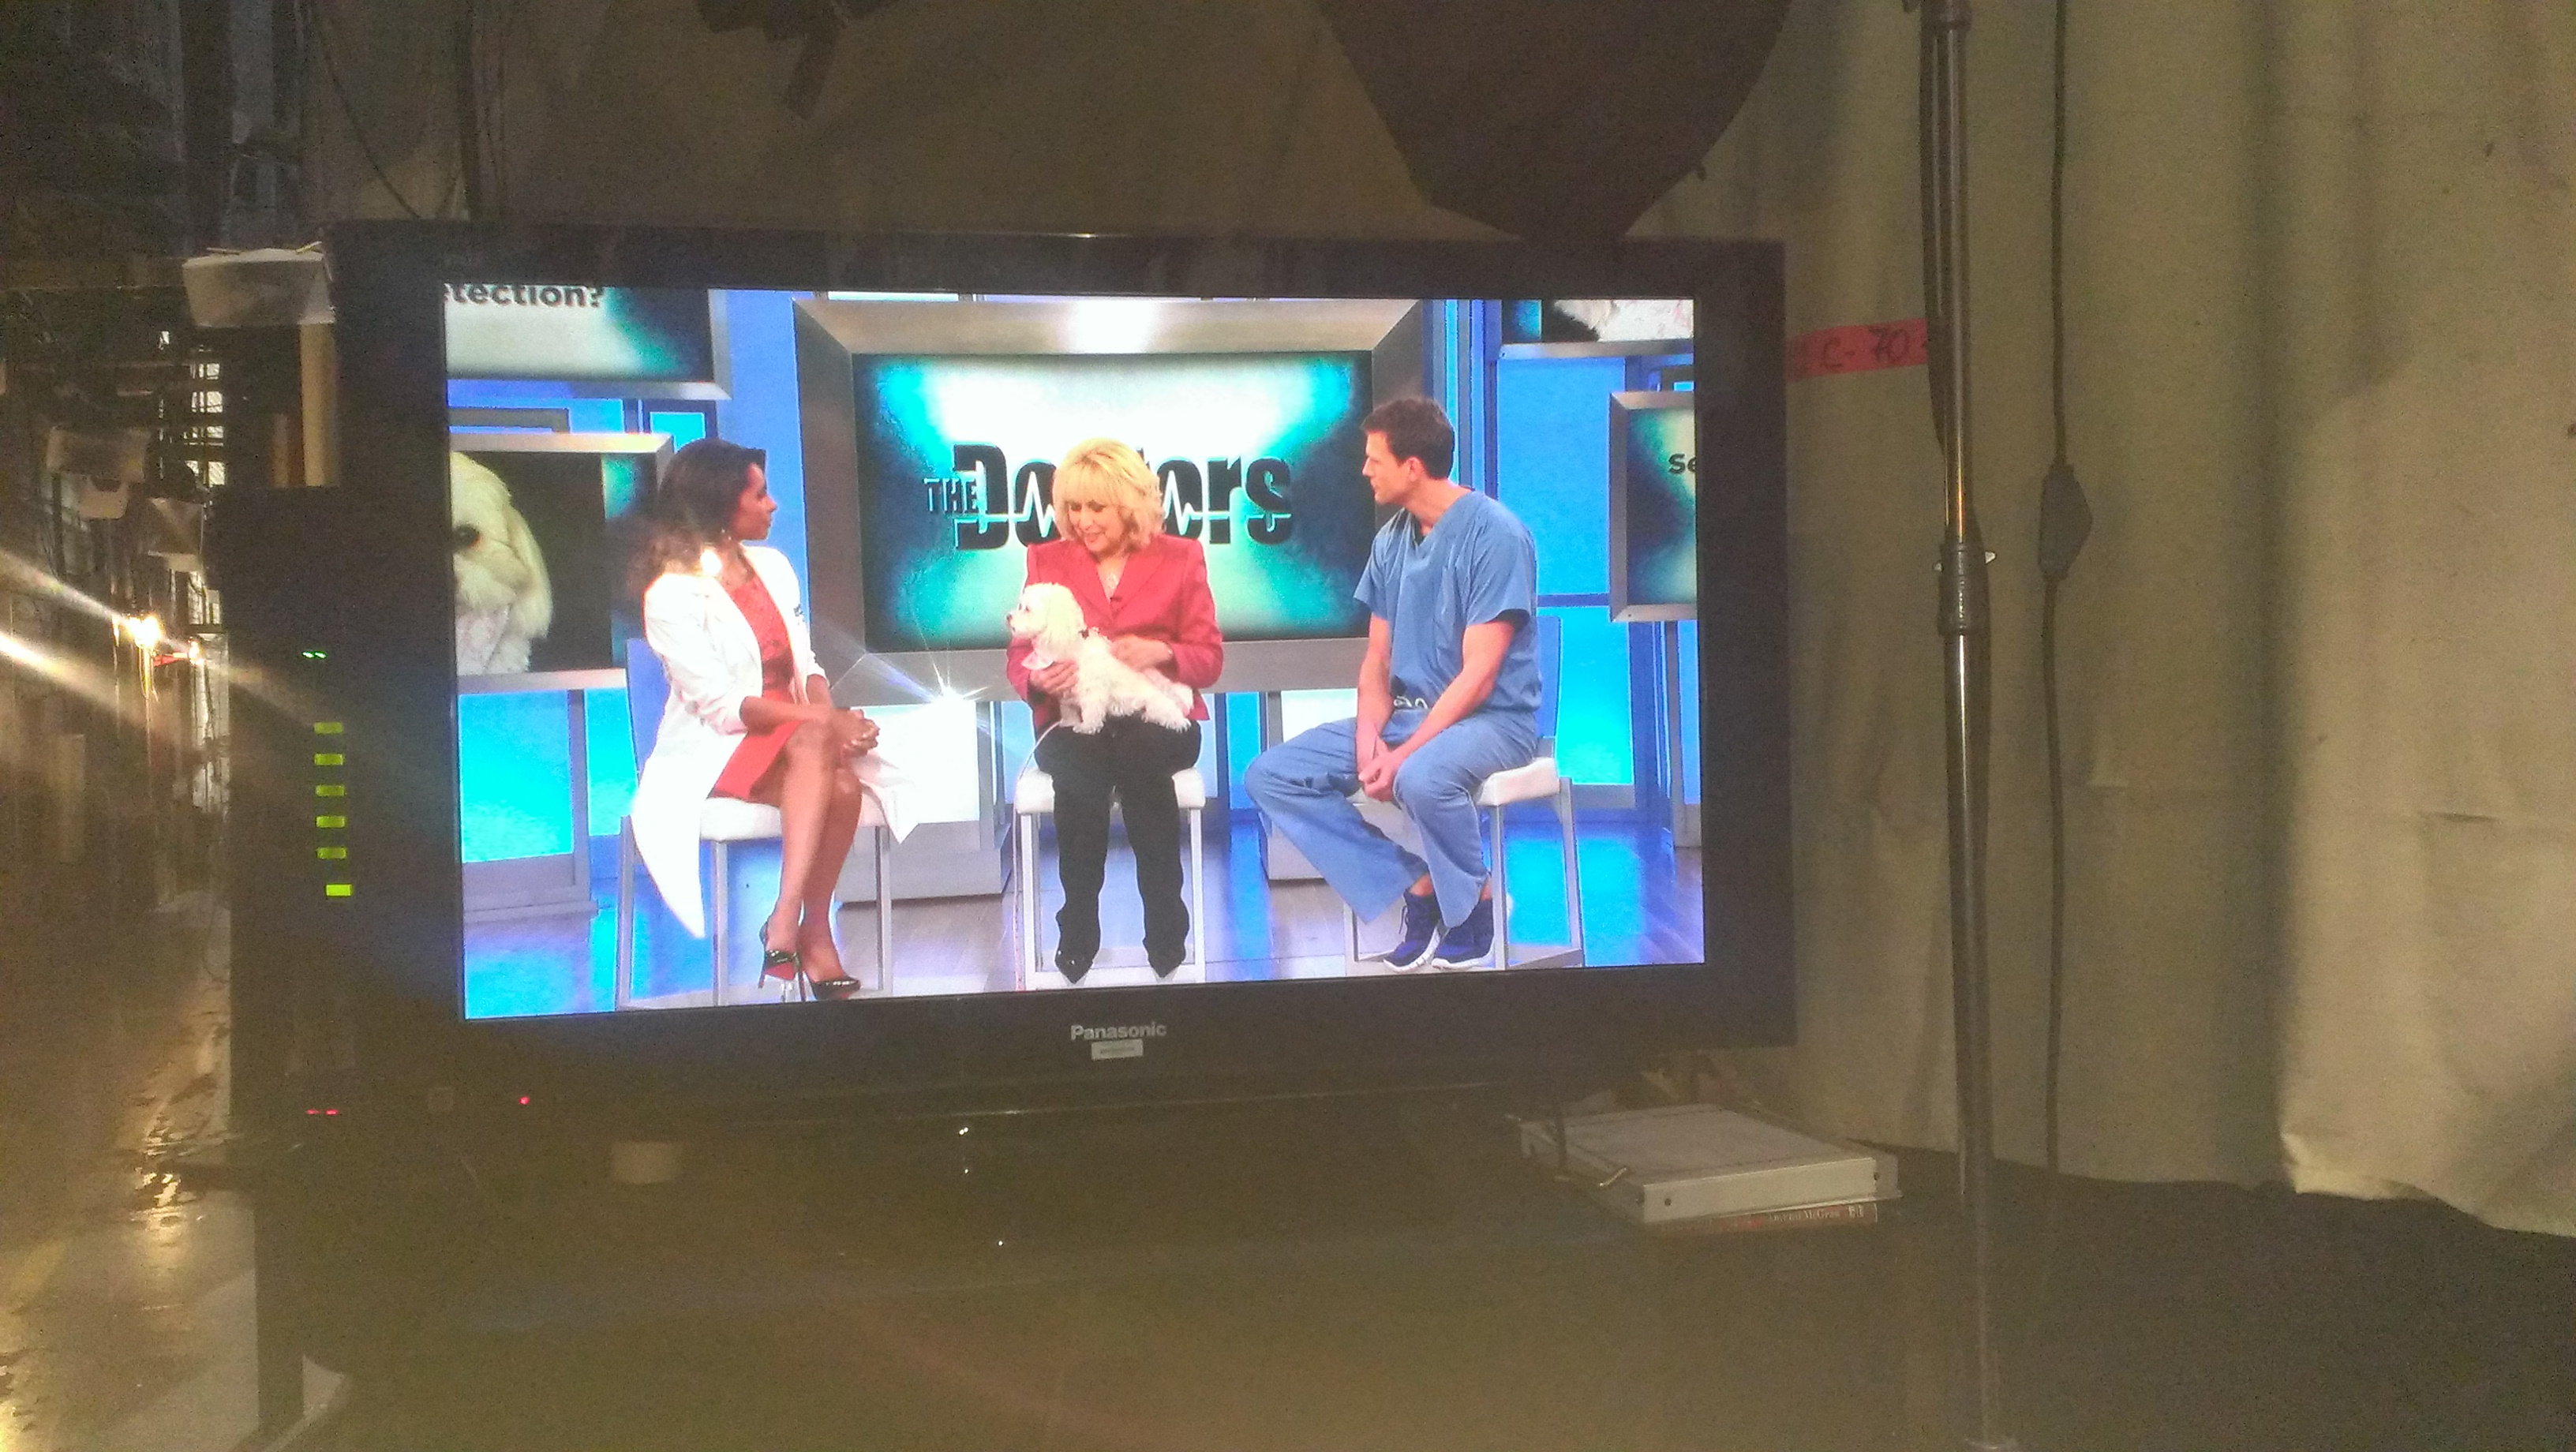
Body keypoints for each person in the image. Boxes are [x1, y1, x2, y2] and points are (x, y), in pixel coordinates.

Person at [1243, 398, 1541, 971]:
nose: (1364, 471)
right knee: (1271, 775)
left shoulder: (1496, 536)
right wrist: (1368, 741)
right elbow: (1377, 660)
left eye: (1374, 459)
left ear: (1412, 466)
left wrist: (1401, 754)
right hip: (1408, 714)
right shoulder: (1390, 542)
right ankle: (1417, 884)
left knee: (1421, 776)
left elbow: (1480, 676)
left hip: (1493, 722)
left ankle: (1474, 904)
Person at [627, 438, 912, 1001]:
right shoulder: (670, 596)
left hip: (798, 735)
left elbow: (807, 663)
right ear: (719, 504)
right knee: (816, 745)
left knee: (842, 783)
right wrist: (825, 724)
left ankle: (805, 928)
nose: (772, 504)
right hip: (722, 741)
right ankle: (793, 922)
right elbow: (722, 706)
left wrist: (830, 719)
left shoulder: (774, 567)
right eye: (759, 495)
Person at [1004, 438, 1224, 982]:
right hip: (1073, 717)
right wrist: (1038, 679)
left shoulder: (1180, 557)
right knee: (1083, 767)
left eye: (1096, 507)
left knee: (1140, 754)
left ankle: (1164, 919)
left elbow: (1209, 660)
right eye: (1073, 507)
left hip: (1158, 718)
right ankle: (1079, 922)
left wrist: (1163, 652)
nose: (1082, 520)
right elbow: (1018, 656)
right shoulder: (1046, 559)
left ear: (1128, 504)